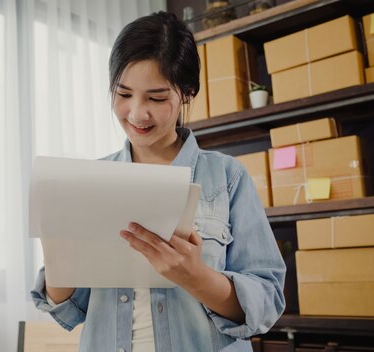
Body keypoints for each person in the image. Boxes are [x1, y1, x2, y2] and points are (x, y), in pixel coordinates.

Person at [30, 11, 286, 352]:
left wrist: (196, 277)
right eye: (123, 95)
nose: (137, 113)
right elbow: (69, 310)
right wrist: (59, 259)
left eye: (156, 98)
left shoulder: (227, 178)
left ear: (187, 93)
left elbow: (267, 302)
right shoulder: (91, 181)